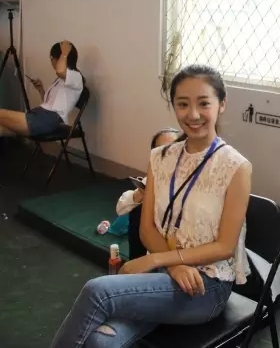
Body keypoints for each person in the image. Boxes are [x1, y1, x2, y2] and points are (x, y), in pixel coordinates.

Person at [50, 64, 252, 348]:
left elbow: (224, 247)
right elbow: (147, 230)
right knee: (100, 342)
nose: (193, 114)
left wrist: (157, 260)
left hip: (206, 286)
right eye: (183, 104)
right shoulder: (160, 157)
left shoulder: (236, 166)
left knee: (98, 291)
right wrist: (173, 266)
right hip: (165, 276)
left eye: (204, 103)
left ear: (222, 104)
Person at [114, 127, 181, 259]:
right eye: (161, 150)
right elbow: (120, 209)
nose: (168, 154)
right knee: (138, 211)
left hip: (180, 248)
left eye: (173, 149)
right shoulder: (153, 177)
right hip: (152, 245)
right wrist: (140, 194)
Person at [0, 40, 83, 137]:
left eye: (52, 58)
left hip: (46, 120)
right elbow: (49, 104)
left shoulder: (76, 77)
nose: (51, 61)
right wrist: (40, 89)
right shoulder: (62, 80)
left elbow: (60, 71)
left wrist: (64, 53)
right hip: (41, 116)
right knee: (1, 129)